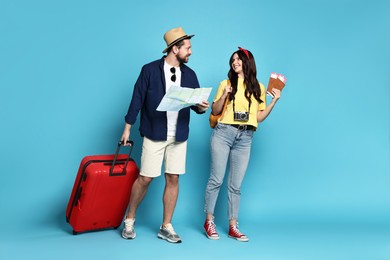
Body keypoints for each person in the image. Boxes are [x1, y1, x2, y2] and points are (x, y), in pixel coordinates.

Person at [120, 27, 209, 243]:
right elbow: (137, 99)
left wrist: (201, 107)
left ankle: (166, 226)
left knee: (173, 178)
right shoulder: (149, 70)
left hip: (178, 135)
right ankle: (129, 219)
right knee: (146, 178)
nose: (190, 52)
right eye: (187, 48)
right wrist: (128, 127)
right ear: (174, 48)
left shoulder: (190, 74)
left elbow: (195, 104)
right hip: (154, 132)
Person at [203, 47, 281, 242]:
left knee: (235, 185)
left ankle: (233, 226)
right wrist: (224, 95)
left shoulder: (259, 88)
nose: (235, 62)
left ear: (248, 62)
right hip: (224, 133)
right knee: (216, 179)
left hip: (246, 137)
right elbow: (215, 109)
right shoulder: (226, 83)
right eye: (233, 60)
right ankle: (209, 221)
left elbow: (259, 117)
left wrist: (274, 102)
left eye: (238, 59)